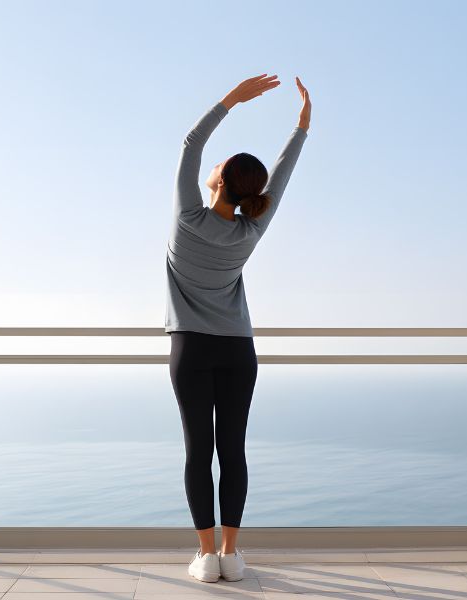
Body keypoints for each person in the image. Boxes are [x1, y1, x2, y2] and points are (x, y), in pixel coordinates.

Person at [165, 73, 311, 583]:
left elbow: (190, 143)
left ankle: (205, 558)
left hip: (190, 348)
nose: (212, 165)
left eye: (219, 165)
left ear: (220, 180)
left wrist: (231, 100)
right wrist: (301, 128)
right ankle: (232, 553)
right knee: (233, 449)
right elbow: (282, 178)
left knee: (197, 450)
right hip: (237, 352)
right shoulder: (252, 229)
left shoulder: (188, 217)